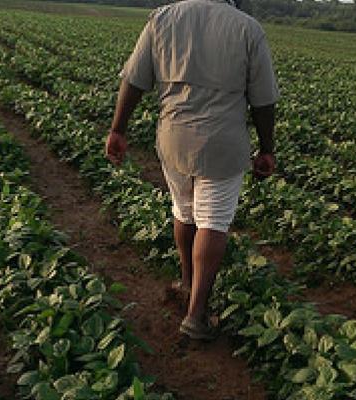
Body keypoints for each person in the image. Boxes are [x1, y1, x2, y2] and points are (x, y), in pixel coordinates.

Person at [105, 0, 279, 340]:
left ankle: (186, 282)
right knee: (213, 222)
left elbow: (134, 79)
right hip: (222, 142)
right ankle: (196, 315)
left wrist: (118, 129)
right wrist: (267, 149)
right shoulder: (247, 28)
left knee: (184, 212)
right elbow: (263, 100)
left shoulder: (163, 17)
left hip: (174, 137)